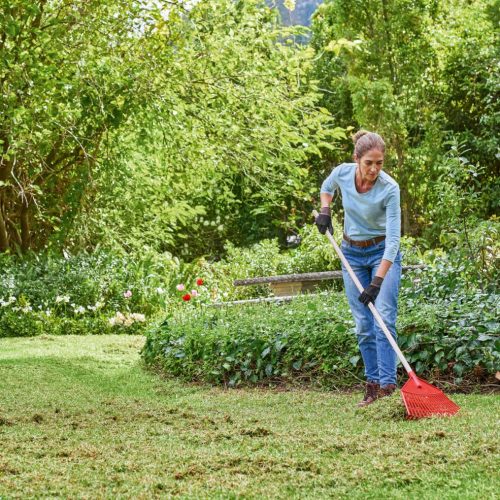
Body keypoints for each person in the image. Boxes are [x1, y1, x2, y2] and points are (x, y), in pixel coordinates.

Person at [315, 130, 402, 407]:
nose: (374, 169)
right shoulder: (342, 173)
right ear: (357, 159)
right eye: (369, 163)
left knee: (384, 319)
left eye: (379, 163)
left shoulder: (389, 188)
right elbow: (326, 187)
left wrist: (377, 281)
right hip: (351, 253)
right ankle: (372, 386)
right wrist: (325, 210)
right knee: (364, 325)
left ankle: (388, 388)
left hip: (381, 254)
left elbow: (393, 241)